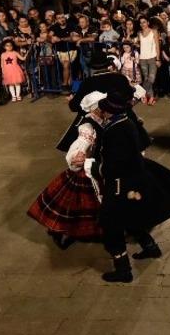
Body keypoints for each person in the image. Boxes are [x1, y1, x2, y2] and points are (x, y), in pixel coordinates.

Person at [95, 76, 170, 283]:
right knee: (133, 216)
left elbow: (115, 161)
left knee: (111, 224)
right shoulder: (125, 122)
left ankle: (123, 270)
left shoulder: (116, 129)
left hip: (121, 183)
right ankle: (150, 247)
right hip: (134, 180)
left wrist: (95, 166)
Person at [28, 91, 109, 249]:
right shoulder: (88, 126)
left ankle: (72, 231)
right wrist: (76, 157)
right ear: (96, 109)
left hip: (94, 167)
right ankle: (61, 232)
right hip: (87, 171)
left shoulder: (101, 120)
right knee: (77, 206)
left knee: (79, 207)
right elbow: (79, 146)